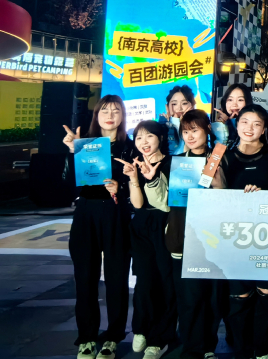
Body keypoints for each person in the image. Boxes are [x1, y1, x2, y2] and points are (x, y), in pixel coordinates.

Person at [61, 95, 134, 359]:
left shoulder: (130, 147)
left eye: (116, 110)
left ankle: (113, 337)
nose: (110, 115)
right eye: (105, 110)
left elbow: (138, 185)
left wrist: (121, 188)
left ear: (123, 115)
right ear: (96, 115)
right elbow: (67, 184)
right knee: (84, 278)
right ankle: (87, 338)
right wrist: (72, 152)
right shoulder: (84, 144)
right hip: (86, 213)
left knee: (117, 278)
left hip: (116, 214)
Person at [221, 105, 268, 359]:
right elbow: (215, 197)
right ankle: (241, 349)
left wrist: (265, 195)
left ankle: (264, 350)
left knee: (267, 293)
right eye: (244, 122)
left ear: (264, 129)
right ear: (237, 125)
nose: (249, 128)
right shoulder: (224, 156)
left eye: (256, 124)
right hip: (235, 237)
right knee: (239, 295)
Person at [163, 110, 227, 359]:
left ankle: (208, 347)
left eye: (195, 130)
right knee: (189, 300)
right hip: (182, 238)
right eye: (186, 131)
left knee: (213, 299)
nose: (189, 136)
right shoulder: (177, 162)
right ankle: (192, 349)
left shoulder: (219, 159)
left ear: (207, 130)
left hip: (212, 240)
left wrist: (219, 183)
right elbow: (165, 202)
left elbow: (228, 201)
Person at [117, 120, 176, 359]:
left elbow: (168, 202)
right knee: (144, 279)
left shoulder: (173, 163)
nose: (143, 142)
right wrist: (133, 177)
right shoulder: (135, 163)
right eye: (138, 137)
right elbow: (138, 204)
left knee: (166, 281)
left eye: (149, 136)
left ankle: (160, 339)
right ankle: (141, 328)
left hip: (166, 224)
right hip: (141, 226)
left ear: (160, 138)